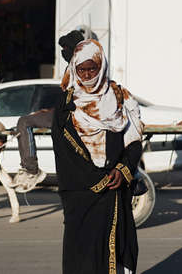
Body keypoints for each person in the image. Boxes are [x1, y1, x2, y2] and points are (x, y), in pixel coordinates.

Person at [51, 39, 143, 274]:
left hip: (116, 189)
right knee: (81, 252)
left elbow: (133, 141)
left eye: (92, 68)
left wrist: (123, 170)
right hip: (79, 192)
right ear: (74, 69)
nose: (88, 74)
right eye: (82, 69)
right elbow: (63, 149)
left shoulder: (120, 97)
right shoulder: (67, 103)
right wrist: (97, 179)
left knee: (117, 248)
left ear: (101, 65)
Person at [12, 30, 85, 193]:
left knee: (24, 122)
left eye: (66, 48)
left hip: (71, 115)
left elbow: (76, 96)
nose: (63, 52)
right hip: (67, 111)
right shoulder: (76, 64)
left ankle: (31, 170)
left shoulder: (79, 66)